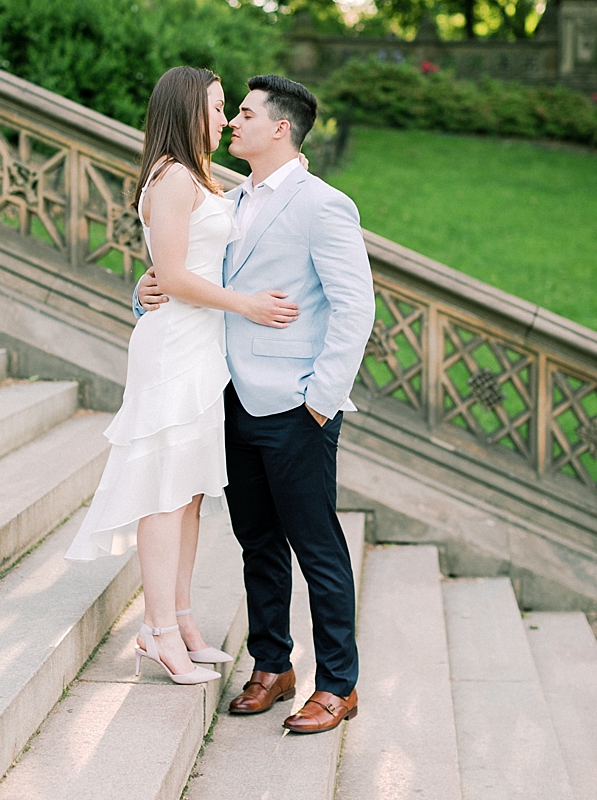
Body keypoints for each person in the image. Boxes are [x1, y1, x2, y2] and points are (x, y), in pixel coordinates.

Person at [137, 75, 374, 734]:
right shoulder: (227, 197)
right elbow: (185, 274)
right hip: (228, 400)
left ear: (280, 129)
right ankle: (272, 665)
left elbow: (357, 307)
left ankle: (339, 684)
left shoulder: (324, 204)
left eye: (243, 114)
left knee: (316, 547)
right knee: (257, 543)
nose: (231, 124)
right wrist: (145, 291)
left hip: (297, 407)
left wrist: (321, 401)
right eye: (230, 112)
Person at [66, 67, 300, 688]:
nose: (225, 119)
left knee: (190, 492)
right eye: (219, 107)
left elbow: (174, 268)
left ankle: (183, 619)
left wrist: (152, 289)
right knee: (166, 492)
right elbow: (170, 275)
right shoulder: (170, 176)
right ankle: (157, 630)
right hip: (174, 349)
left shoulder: (200, 176)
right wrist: (244, 304)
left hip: (202, 348)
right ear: (186, 108)